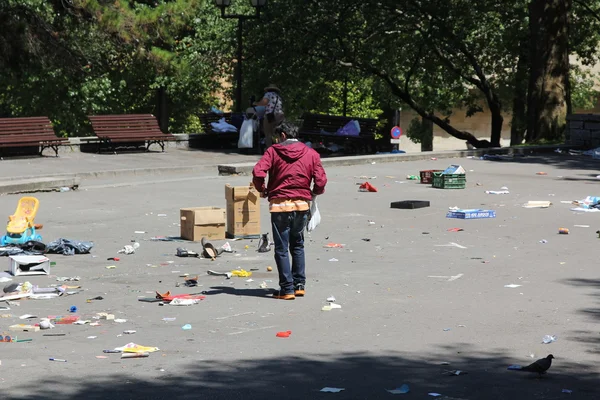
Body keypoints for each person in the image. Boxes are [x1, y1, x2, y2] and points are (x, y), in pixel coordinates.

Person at [252, 122, 327, 300]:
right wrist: (314, 192)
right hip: (301, 205)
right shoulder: (311, 153)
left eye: (278, 137)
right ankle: (299, 285)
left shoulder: (273, 151)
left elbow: (258, 172)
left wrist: (261, 189)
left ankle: (287, 288)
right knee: (298, 245)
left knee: (281, 248)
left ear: (283, 135)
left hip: (279, 205)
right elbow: (321, 180)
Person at [253, 84, 284, 149]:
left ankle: (269, 149)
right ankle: (279, 147)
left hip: (270, 115)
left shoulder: (268, 94)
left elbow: (264, 103)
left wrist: (255, 103)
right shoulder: (278, 96)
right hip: (280, 115)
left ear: (268, 89)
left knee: (268, 133)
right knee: (275, 133)